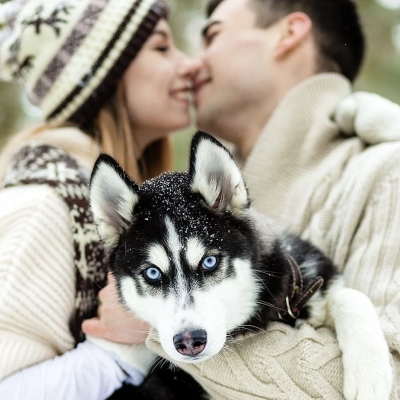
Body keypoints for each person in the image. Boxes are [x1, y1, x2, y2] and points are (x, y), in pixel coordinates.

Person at [141, 0, 400, 398]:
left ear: (289, 33)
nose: (190, 65)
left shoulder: (387, 174)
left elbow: (392, 380)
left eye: (211, 35)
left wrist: (160, 335)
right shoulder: (184, 203)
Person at [0, 0, 200, 398]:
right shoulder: (43, 207)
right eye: (161, 48)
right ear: (101, 74)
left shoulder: (124, 200)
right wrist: (119, 348)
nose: (190, 65)